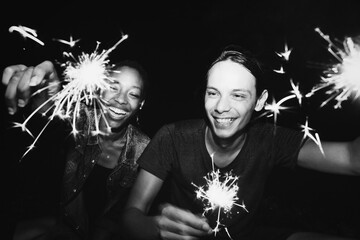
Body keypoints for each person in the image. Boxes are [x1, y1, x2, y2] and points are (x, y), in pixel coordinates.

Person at [121, 46, 360, 240]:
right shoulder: (173, 137)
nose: (221, 107)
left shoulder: (271, 139)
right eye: (213, 93)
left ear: (259, 101)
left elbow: (352, 159)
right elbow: (130, 216)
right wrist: (155, 228)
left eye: (237, 95)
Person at [2, 59, 151, 240]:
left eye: (133, 94)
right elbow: (51, 112)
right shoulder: (78, 119)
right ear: (98, 90)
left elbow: (121, 217)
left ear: (141, 103)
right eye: (113, 87)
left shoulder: (145, 149)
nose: (120, 99)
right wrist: (41, 95)